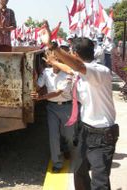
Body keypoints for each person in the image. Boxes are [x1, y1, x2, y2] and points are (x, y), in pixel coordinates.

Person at [40, 21, 119, 190]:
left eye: (70, 53)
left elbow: (78, 67)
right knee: (79, 172)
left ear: (75, 54)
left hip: (103, 135)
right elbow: (70, 69)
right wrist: (54, 62)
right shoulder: (81, 70)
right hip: (87, 131)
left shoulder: (99, 71)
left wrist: (53, 46)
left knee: (100, 182)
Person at [31, 50, 73, 173]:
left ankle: (66, 146)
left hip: (67, 107)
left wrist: (41, 97)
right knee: (53, 136)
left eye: (58, 58)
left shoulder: (68, 73)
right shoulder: (46, 72)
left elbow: (58, 92)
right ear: (48, 60)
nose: (56, 61)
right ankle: (57, 163)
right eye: (53, 58)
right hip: (52, 108)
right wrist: (33, 80)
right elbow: (38, 86)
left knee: (69, 135)